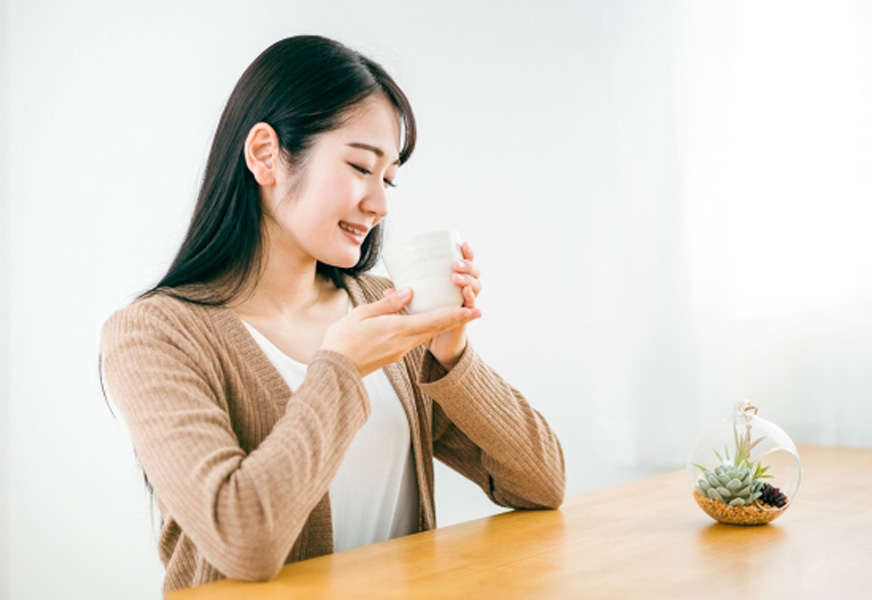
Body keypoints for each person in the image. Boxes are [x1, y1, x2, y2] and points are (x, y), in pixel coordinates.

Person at [100, 35, 565, 595]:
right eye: (359, 167)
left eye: (388, 178)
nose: (381, 203)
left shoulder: (383, 306)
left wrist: (452, 354)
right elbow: (242, 538)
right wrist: (339, 370)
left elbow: (542, 483)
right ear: (266, 154)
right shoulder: (153, 334)